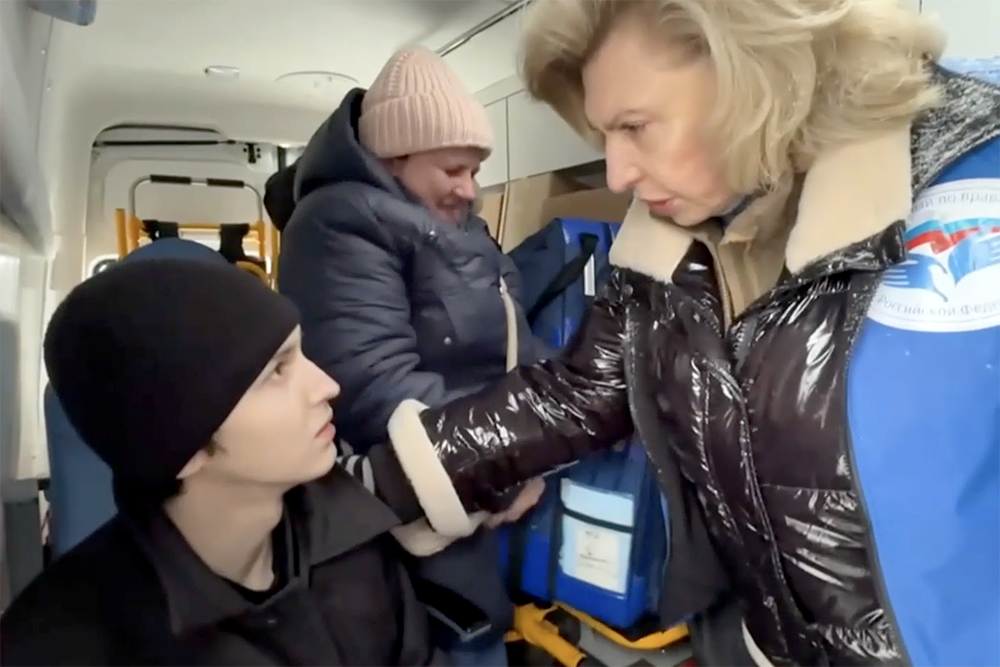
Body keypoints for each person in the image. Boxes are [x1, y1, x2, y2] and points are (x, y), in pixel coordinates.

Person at [360, 2, 1000, 667]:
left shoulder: (976, 171)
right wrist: (385, 480)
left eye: (635, 127)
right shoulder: (668, 254)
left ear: (755, 71)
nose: (616, 175)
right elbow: (577, 394)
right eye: (604, 135)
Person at [0, 256, 447, 667]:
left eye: (301, 353)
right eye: (276, 371)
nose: (327, 386)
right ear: (185, 446)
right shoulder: (63, 647)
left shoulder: (353, 538)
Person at [275, 46, 551, 667]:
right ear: (396, 155)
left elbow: (514, 339)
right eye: (453, 169)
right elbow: (372, 385)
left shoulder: (459, 224)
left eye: (476, 170)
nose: (469, 188)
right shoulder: (337, 225)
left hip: (480, 474)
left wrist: (559, 421)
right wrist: (510, 467)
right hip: (417, 509)